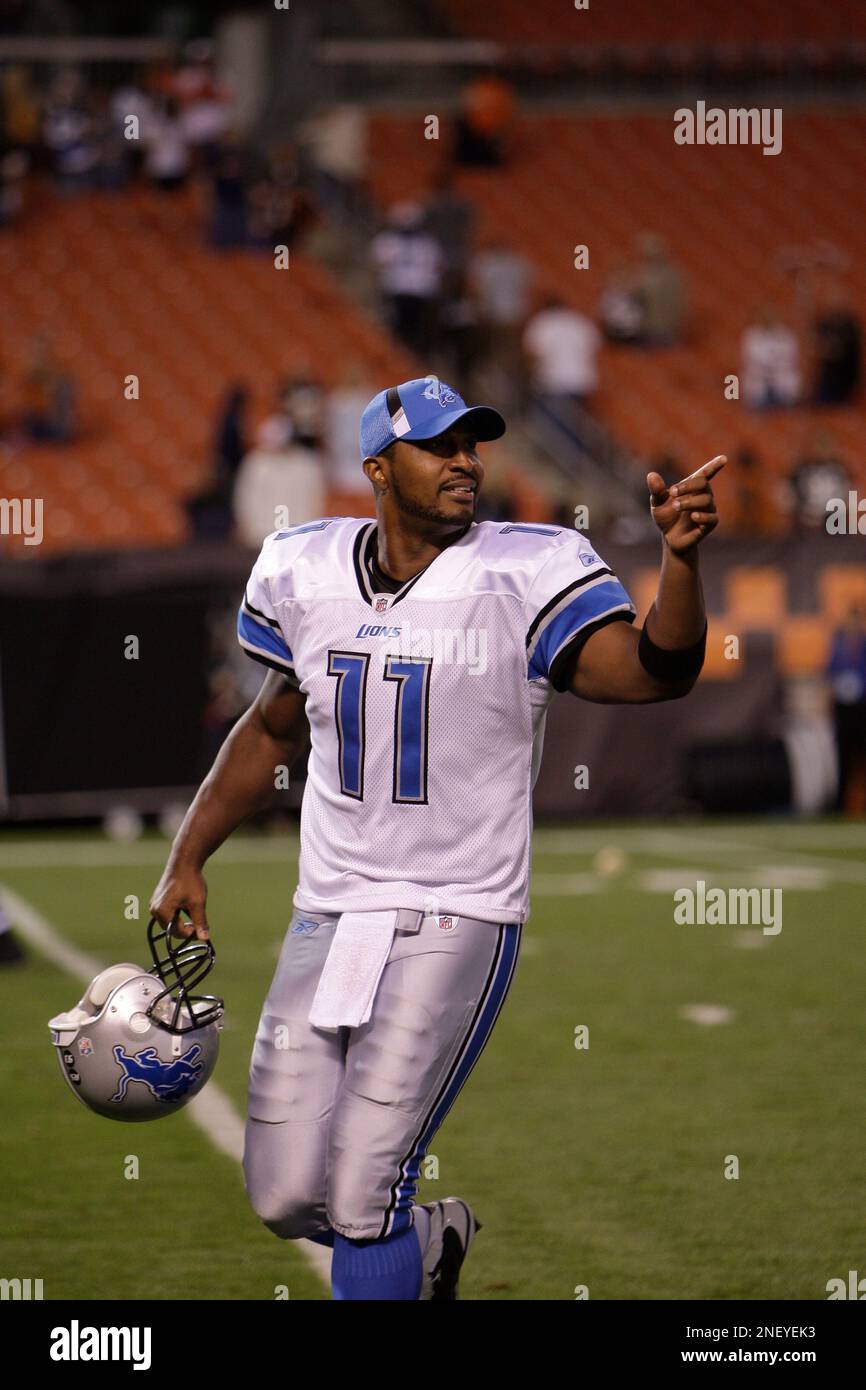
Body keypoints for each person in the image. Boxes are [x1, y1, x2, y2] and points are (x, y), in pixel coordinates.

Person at [149, 373, 723, 1301]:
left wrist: (683, 563)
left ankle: (393, 1238)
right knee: (286, 1194)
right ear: (378, 467)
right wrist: (187, 857)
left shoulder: (524, 568)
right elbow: (271, 728)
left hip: (458, 910)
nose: (467, 462)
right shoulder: (306, 568)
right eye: (441, 446)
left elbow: (656, 672)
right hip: (330, 912)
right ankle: (433, 1246)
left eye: (473, 444)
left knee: (364, 1188)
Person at [826, 604, 866, 811]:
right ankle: (841, 804)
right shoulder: (838, 642)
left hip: (862, 706)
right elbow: (830, 671)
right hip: (844, 709)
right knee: (844, 756)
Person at [741, 306, 801, 409]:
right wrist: (770, 364)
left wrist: (774, 364)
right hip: (759, 379)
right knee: (757, 398)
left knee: (789, 391)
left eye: (770, 317)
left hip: (781, 377)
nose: (768, 320)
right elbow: (752, 358)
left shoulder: (785, 335)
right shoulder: (752, 336)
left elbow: (789, 356)